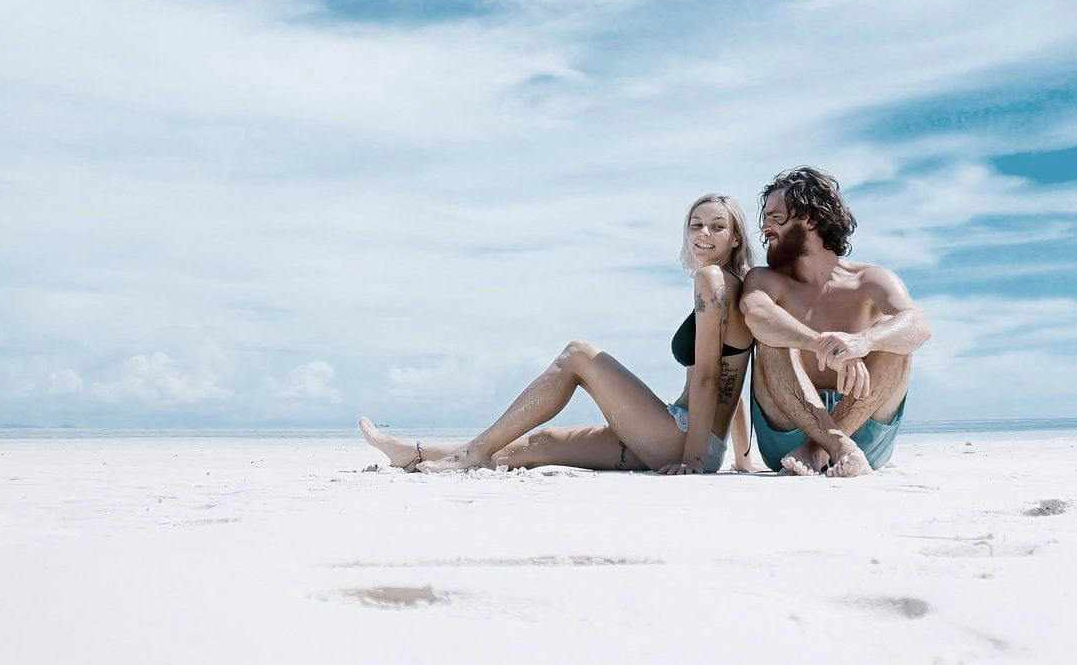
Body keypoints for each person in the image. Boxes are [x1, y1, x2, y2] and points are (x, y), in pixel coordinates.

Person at [360, 193, 759, 474]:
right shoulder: (736, 287)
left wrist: (692, 461)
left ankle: (473, 452)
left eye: (717, 227)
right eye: (696, 225)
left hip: (683, 439)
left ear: (735, 237)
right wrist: (737, 455)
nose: (703, 234)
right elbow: (734, 379)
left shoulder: (711, 281)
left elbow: (709, 377)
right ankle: (411, 453)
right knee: (543, 444)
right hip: (693, 439)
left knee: (579, 354)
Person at [739, 167, 931, 477]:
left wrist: (864, 341)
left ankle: (819, 449)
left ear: (811, 219)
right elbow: (756, 314)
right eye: (765, 218)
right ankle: (836, 446)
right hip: (788, 429)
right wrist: (822, 344)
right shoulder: (764, 279)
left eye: (776, 217)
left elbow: (919, 325)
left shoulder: (870, 279)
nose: (765, 228)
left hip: (863, 425)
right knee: (772, 338)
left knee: (895, 337)